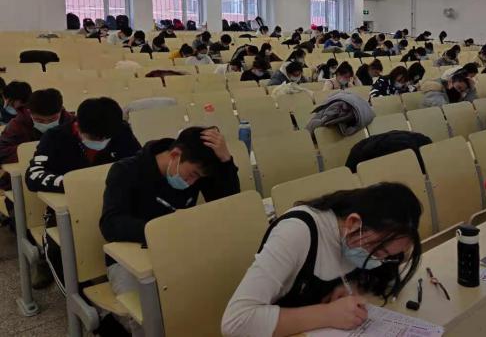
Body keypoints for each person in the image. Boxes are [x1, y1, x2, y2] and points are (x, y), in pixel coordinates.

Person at [221, 182, 422, 337]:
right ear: (353, 222)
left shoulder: (361, 235)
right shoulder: (297, 233)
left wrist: (353, 286)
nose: (378, 260)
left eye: (388, 256)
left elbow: (384, 276)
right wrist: (327, 314)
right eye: (379, 252)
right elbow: (236, 322)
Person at [101, 127, 239, 333]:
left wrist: (226, 161)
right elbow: (110, 224)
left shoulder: (195, 169)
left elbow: (228, 205)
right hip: (128, 259)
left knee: (212, 303)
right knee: (147, 320)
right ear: (175, 155)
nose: (192, 183)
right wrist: (161, 231)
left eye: (198, 178)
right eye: (192, 175)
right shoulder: (126, 170)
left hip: (177, 252)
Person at [0, 89, 74, 166]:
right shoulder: (17, 124)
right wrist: (34, 150)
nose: (46, 123)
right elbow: (2, 151)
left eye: (52, 119)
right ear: (29, 112)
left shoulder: (71, 122)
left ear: (61, 110)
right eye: (39, 120)